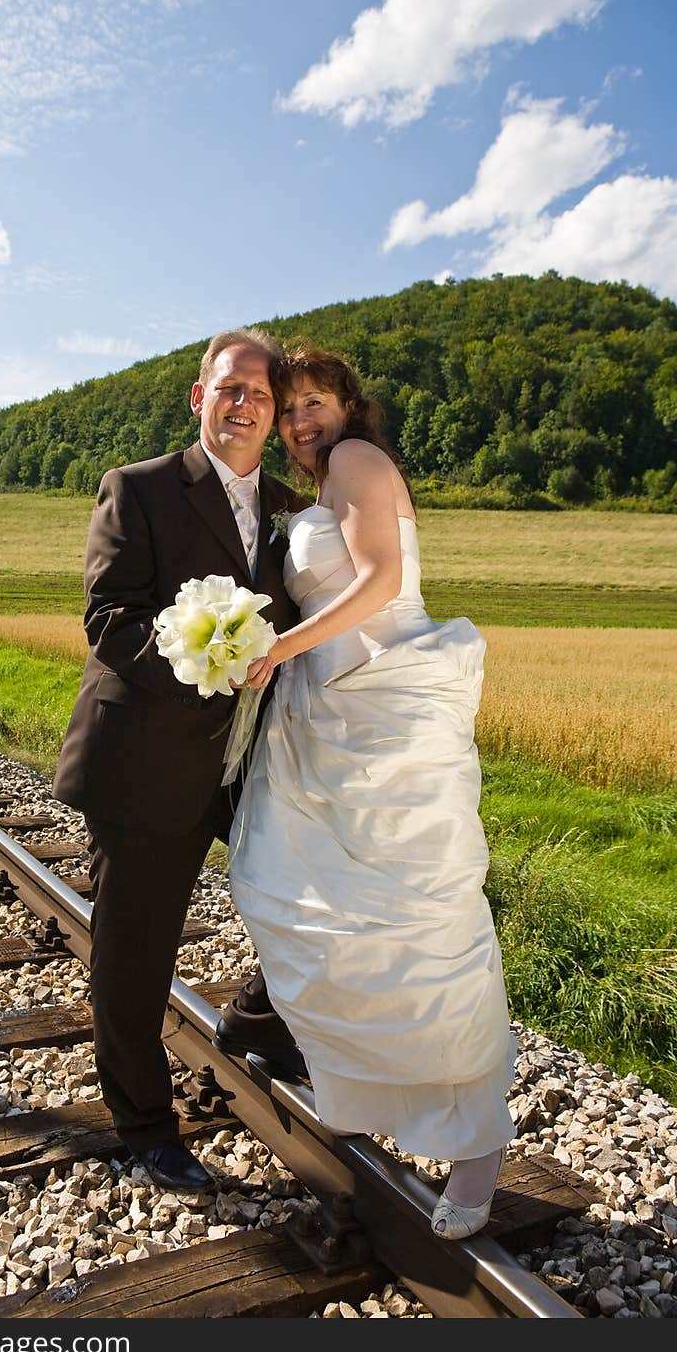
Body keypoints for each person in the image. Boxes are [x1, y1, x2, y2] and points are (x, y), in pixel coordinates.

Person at [227, 345, 517, 1239]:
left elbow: (383, 582)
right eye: (292, 407)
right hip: (327, 712)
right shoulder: (314, 488)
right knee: (312, 905)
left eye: (316, 402)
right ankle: (356, 1079)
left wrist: (276, 648)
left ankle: (476, 1155)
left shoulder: (355, 462)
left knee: (421, 926)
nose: (303, 420)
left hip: (382, 705)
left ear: (348, 407)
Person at [52, 328, 307, 1194]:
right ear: (199, 398)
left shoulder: (288, 510)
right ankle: (145, 1126)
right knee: (136, 952)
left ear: (274, 417)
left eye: (260, 395)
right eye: (228, 389)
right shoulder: (141, 489)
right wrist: (206, 664)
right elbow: (111, 619)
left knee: (312, 892)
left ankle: (255, 1023)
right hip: (145, 759)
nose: (242, 404)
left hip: (247, 764)